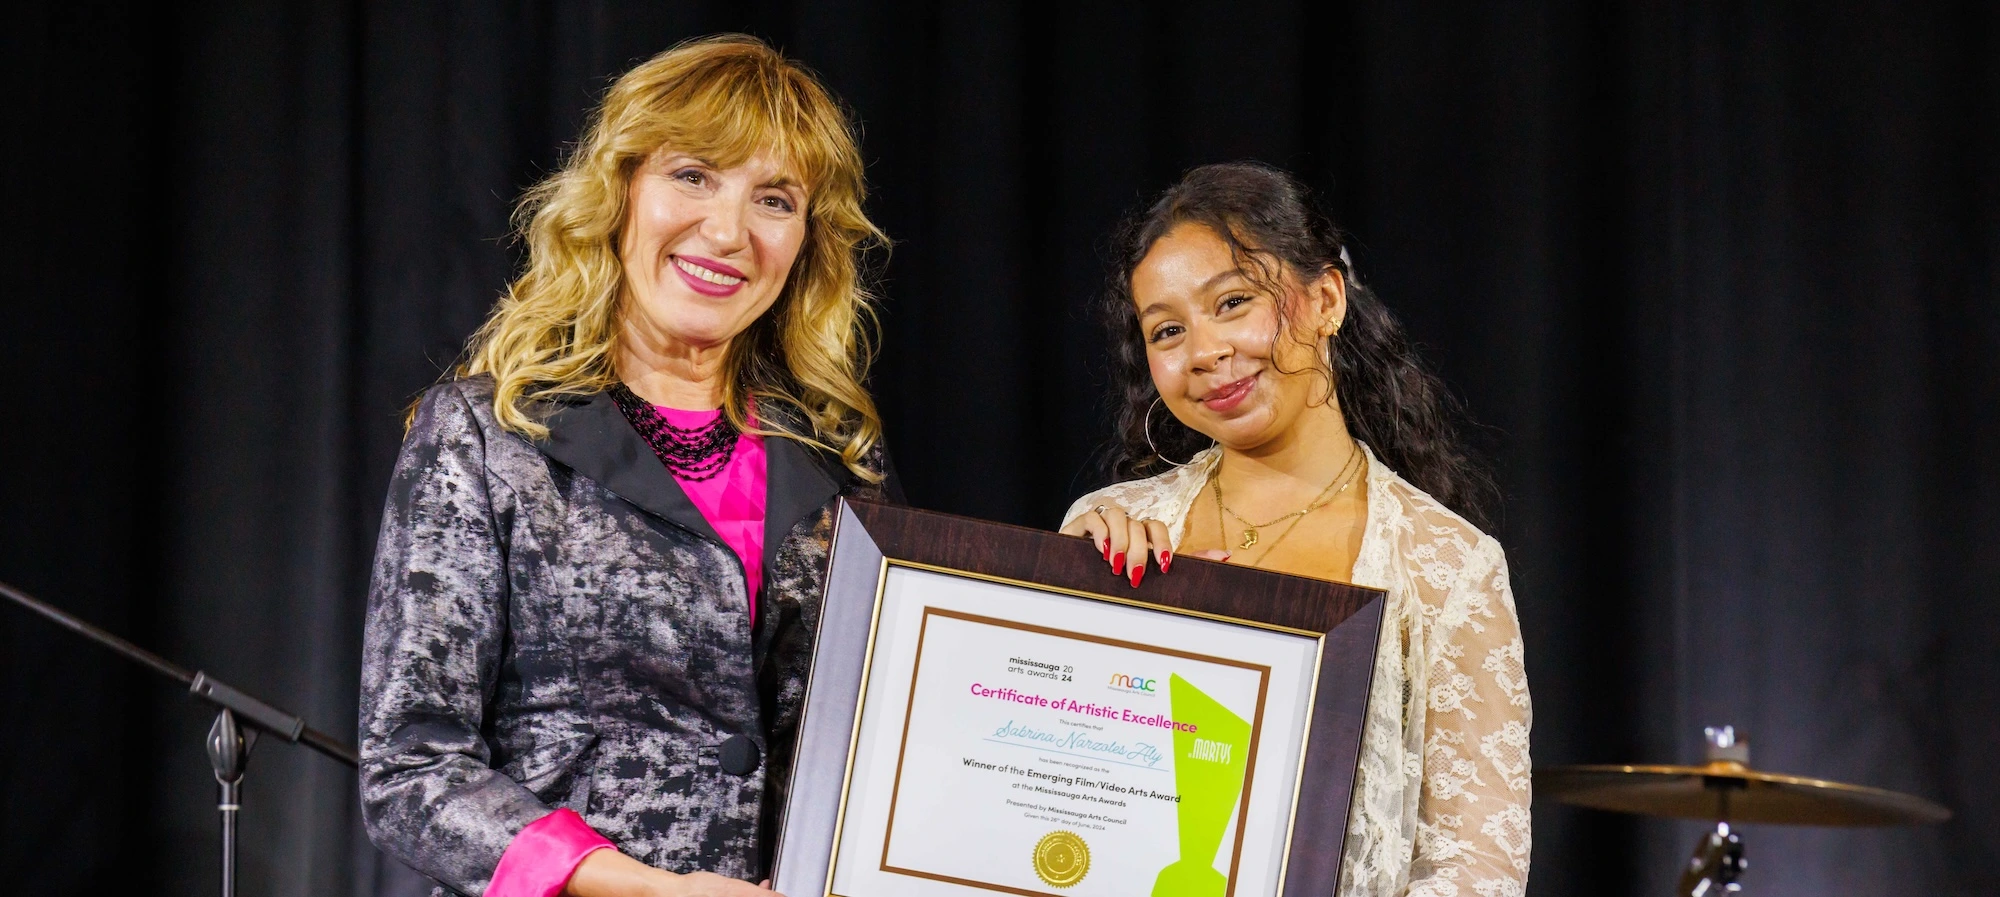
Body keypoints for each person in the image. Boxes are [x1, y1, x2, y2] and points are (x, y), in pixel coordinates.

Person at [359, 35, 898, 897]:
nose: (727, 230)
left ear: (805, 239)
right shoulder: (486, 435)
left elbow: (889, 749)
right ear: (619, 191)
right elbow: (412, 770)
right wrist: (644, 886)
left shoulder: (842, 463)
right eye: (692, 175)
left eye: (773, 198)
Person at [1061, 163, 1531, 896]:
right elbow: (1055, 794)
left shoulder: (1447, 565)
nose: (1205, 351)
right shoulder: (1113, 529)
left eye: (1234, 302)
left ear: (1325, 299)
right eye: (1168, 330)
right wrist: (1072, 590)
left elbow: (1477, 868)